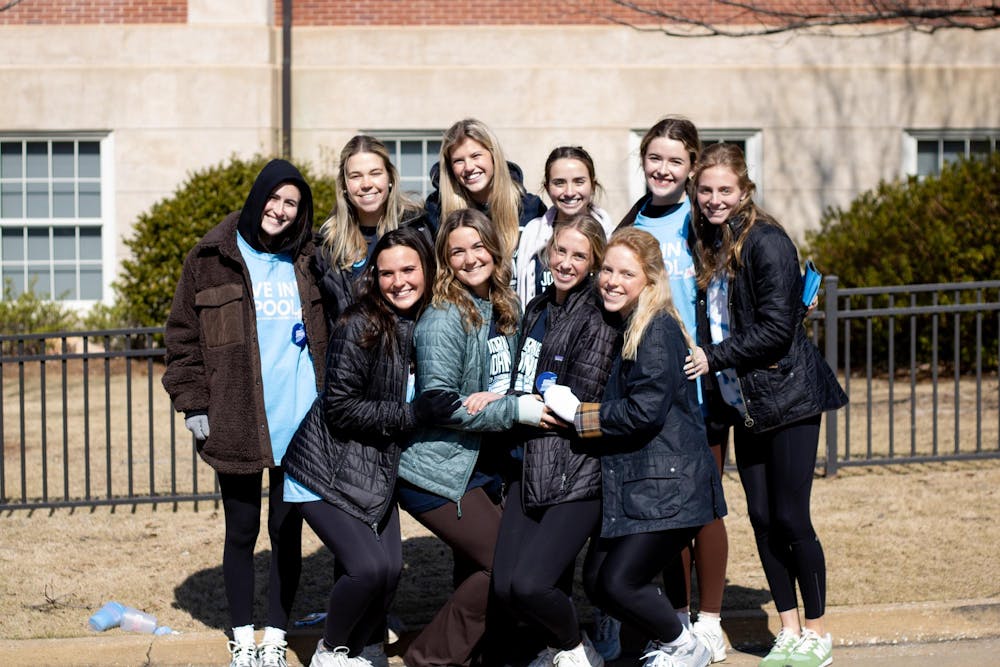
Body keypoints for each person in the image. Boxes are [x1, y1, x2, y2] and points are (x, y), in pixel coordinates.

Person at [683, 143, 848, 667]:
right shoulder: (710, 238)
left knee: (791, 517)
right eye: (705, 190)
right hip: (746, 402)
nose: (714, 199)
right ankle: (788, 628)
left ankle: (817, 632)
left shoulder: (766, 241)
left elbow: (777, 330)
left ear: (744, 189)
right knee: (760, 516)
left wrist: (713, 358)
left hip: (789, 396)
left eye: (724, 190)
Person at [162, 159, 326, 667]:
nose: (280, 211)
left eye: (291, 204)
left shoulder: (310, 258)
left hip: (300, 423)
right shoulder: (211, 258)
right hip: (236, 417)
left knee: (286, 531)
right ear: (258, 199)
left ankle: (275, 638)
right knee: (240, 532)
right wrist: (193, 403)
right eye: (274, 199)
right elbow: (182, 337)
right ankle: (242, 640)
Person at [543, 227, 727, 667]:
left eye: (627, 273)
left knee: (619, 582)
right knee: (600, 579)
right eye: (607, 269)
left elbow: (645, 411)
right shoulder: (628, 321)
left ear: (649, 278)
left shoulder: (655, 328)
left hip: (670, 485)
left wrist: (578, 414)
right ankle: (662, 640)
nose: (612, 280)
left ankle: (684, 646)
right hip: (638, 482)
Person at [281, 227, 460, 667]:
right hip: (324, 468)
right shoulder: (358, 323)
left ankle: (363, 649)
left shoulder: (425, 323)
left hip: (372, 470)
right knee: (367, 569)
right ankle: (332, 650)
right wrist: (413, 415)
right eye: (386, 273)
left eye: (408, 270)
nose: (399, 281)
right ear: (374, 278)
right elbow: (340, 407)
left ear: (427, 270)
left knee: (389, 570)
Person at [398, 208, 546, 667]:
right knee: (505, 563)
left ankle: (480, 655)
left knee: (490, 566)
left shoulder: (505, 306)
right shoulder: (445, 315)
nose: (469, 257)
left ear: (494, 249)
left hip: (479, 465)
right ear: (445, 259)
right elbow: (439, 403)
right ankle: (431, 658)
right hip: (434, 469)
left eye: (477, 246)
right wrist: (512, 409)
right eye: (457, 250)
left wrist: (507, 397)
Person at [614, 117, 730, 663]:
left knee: (703, 506)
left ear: (691, 168)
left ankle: (710, 622)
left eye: (675, 161)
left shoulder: (703, 220)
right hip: (651, 389)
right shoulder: (631, 221)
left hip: (701, 390)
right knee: (666, 513)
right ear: (644, 161)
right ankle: (677, 619)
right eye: (655, 158)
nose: (663, 169)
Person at [492, 214, 619, 667]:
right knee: (506, 586)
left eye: (579, 255)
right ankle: (558, 648)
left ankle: (575, 651)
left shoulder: (598, 317)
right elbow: (522, 380)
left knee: (530, 585)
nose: (566, 262)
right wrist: (506, 399)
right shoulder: (538, 308)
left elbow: (578, 402)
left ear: (594, 263)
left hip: (573, 471)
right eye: (561, 251)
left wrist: (529, 405)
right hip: (526, 465)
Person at [315, 134, 431, 330]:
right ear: (344, 185)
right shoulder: (328, 245)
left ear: (390, 178)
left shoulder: (419, 228)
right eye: (356, 176)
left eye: (375, 173)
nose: (366, 183)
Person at [425, 118, 546, 261]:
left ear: (493, 156)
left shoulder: (531, 208)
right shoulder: (437, 211)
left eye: (476, 156)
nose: (468, 167)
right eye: (458, 161)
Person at [514, 146, 617, 304]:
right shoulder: (532, 234)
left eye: (579, 182)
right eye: (559, 183)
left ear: (593, 185)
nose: (569, 192)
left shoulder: (611, 240)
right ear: (547, 187)